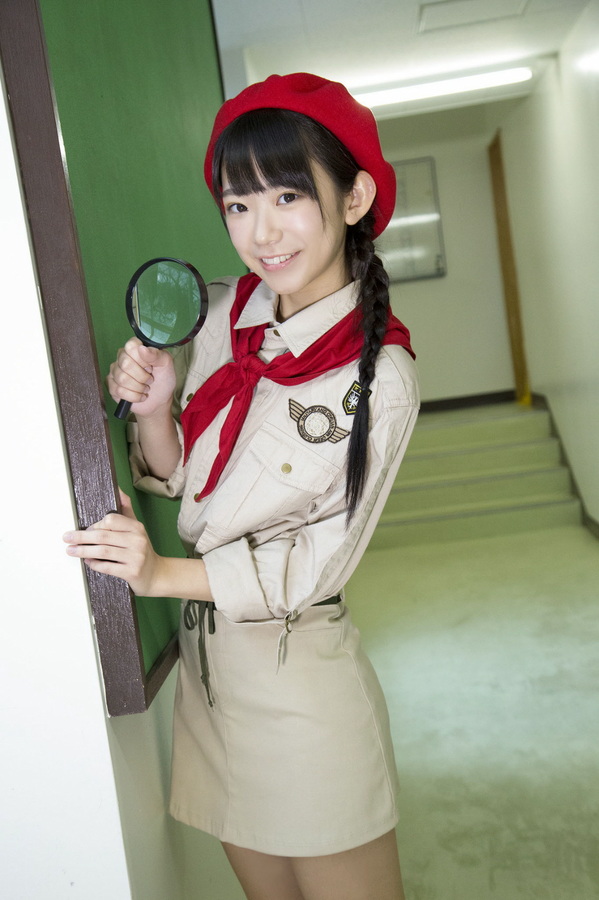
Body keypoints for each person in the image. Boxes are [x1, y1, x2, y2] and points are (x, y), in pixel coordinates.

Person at [64, 72, 419, 900]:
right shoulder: (225, 315)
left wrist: (159, 574)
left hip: (299, 689)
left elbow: (315, 566)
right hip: (211, 684)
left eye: (287, 196)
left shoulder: (381, 380)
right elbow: (192, 479)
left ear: (355, 196)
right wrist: (156, 409)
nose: (261, 232)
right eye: (237, 204)